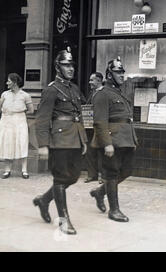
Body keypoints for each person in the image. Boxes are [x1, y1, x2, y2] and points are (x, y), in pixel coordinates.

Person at [32, 47, 88, 235]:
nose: (71, 68)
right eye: (66, 65)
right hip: (59, 140)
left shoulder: (73, 88)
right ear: (58, 67)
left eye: (72, 65)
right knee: (60, 178)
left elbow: (78, 115)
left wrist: (84, 140)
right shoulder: (51, 90)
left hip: (75, 139)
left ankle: (43, 200)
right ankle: (64, 220)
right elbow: (42, 119)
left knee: (72, 176)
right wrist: (43, 145)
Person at [89, 57, 138, 222]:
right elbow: (100, 122)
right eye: (118, 72)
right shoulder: (102, 94)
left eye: (123, 72)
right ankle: (114, 210)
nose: (122, 75)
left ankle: (99, 192)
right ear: (109, 75)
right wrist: (107, 144)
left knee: (127, 171)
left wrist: (133, 139)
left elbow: (127, 118)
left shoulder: (120, 93)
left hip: (125, 139)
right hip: (111, 140)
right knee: (111, 173)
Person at [0, 73, 34, 179]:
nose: (7, 83)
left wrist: (19, 114)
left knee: (22, 143)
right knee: (7, 143)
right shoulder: (4, 94)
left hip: (20, 122)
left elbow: (31, 110)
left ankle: (24, 170)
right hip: (6, 121)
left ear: (14, 82)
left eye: (9, 81)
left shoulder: (25, 95)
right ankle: (7, 170)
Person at [84, 72, 104, 184]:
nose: (89, 82)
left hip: (100, 127)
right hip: (90, 127)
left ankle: (102, 175)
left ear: (99, 81)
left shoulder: (104, 93)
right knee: (90, 151)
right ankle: (92, 175)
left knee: (101, 152)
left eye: (92, 80)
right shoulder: (92, 93)